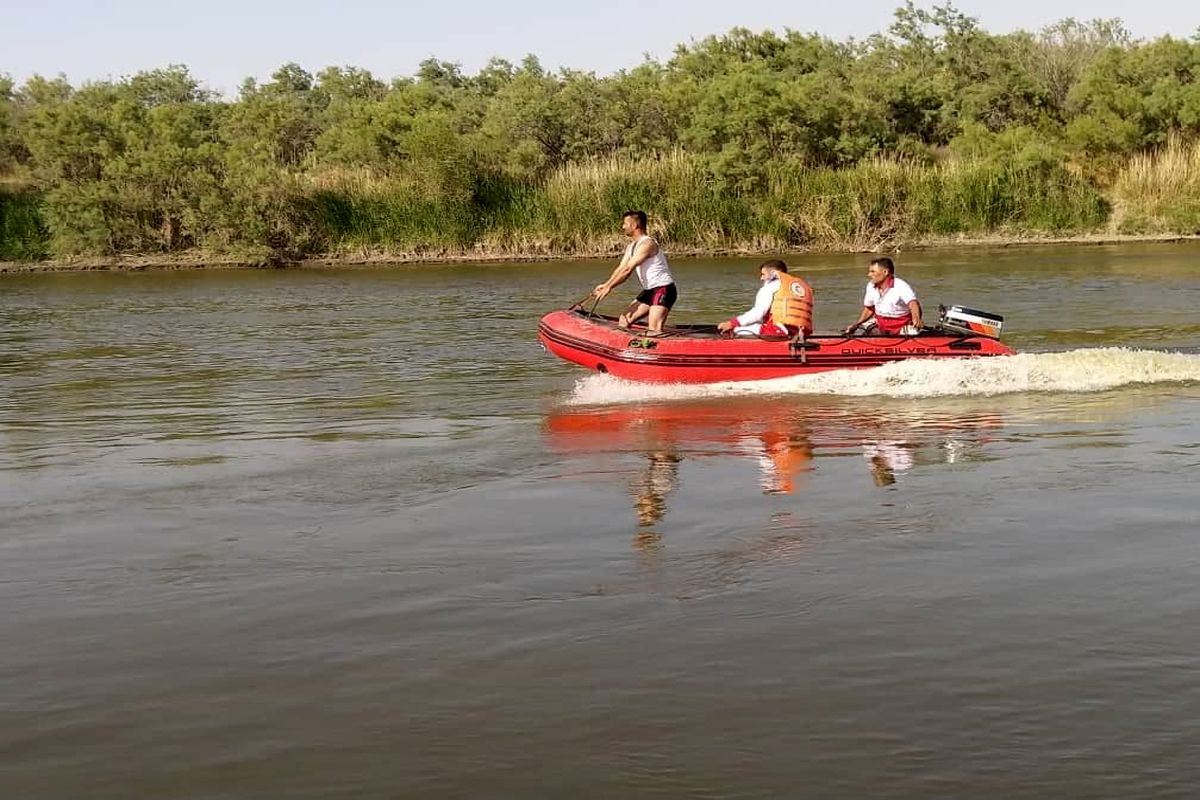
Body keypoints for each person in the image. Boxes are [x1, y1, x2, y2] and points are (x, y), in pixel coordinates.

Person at [591, 210, 677, 334]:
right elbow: (621, 268)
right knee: (624, 320)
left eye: (625, 223)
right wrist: (606, 284)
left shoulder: (648, 244)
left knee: (654, 330)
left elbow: (627, 270)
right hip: (650, 290)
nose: (623, 227)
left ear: (635, 225)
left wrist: (609, 287)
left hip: (663, 289)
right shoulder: (631, 247)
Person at [716, 260, 813, 337]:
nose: (761, 278)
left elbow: (757, 313)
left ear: (774, 273)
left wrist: (731, 323)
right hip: (798, 333)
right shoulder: (794, 287)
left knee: (733, 331)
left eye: (763, 274)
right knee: (750, 326)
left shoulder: (770, 288)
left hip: (777, 331)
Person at [843, 257, 923, 335]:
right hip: (881, 324)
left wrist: (916, 318)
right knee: (861, 330)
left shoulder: (901, 286)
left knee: (913, 333)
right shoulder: (870, 286)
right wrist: (857, 324)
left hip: (902, 325)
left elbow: (913, 304)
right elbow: (869, 309)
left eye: (872, 271)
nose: (869, 275)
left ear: (885, 272)